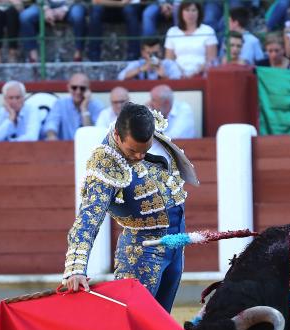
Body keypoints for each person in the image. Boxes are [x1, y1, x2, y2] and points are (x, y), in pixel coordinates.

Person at [62, 102, 200, 313]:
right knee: (134, 321)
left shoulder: (150, 129)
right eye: (132, 150)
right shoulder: (106, 163)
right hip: (142, 252)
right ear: (117, 135)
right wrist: (75, 268)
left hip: (175, 243)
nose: (139, 156)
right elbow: (88, 220)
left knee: (162, 321)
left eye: (144, 150)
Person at [164, 1, 218, 78]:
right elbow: (169, 60)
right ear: (181, 12)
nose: (190, 14)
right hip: (178, 76)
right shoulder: (172, 32)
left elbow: (211, 60)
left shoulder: (208, 30)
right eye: (187, 10)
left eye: (193, 10)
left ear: (199, 12)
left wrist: (196, 72)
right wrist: (180, 73)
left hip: (202, 74)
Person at [20, 0, 87, 63]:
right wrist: (46, 8)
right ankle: (33, 58)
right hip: (44, 4)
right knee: (25, 17)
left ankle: (78, 55)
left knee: (78, 17)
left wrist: (64, 9)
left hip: (72, 4)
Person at [44, 73, 104, 141]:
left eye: (82, 88)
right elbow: (51, 124)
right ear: (69, 88)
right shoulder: (60, 104)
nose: (78, 91)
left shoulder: (97, 106)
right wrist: (52, 136)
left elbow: (91, 135)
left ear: (88, 89)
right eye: (74, 88)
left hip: (88, 148)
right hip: (64, 148)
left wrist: (84, 109)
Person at [118, 38, 182, 80]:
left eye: (155, 53)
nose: (153, 57)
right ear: (143, 53)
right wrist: (141, 69)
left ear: (161, 52)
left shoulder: (169, 64)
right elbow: (120, 77)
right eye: (149, 53)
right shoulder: (137, 64)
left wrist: (164, 76)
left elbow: (179, 81)